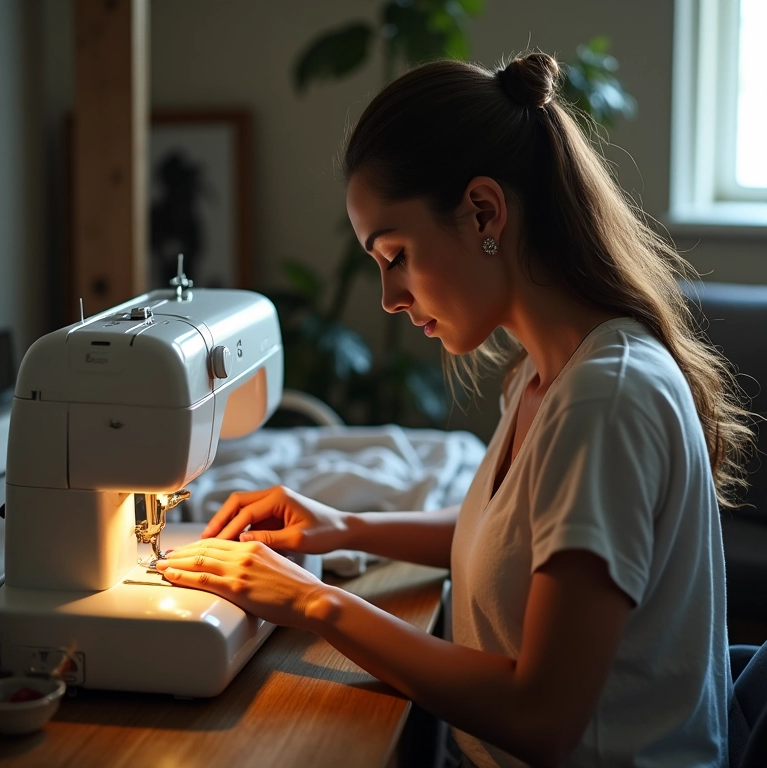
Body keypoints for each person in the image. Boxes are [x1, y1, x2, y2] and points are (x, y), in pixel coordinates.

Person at [155, 51, 753, 767]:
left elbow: (540, 717)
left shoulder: (606, 397)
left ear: (482, 212)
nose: (390, 297)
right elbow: (517, 538)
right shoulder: (544, 372)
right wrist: (343, 527)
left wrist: (313, 603)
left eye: (397, 254)